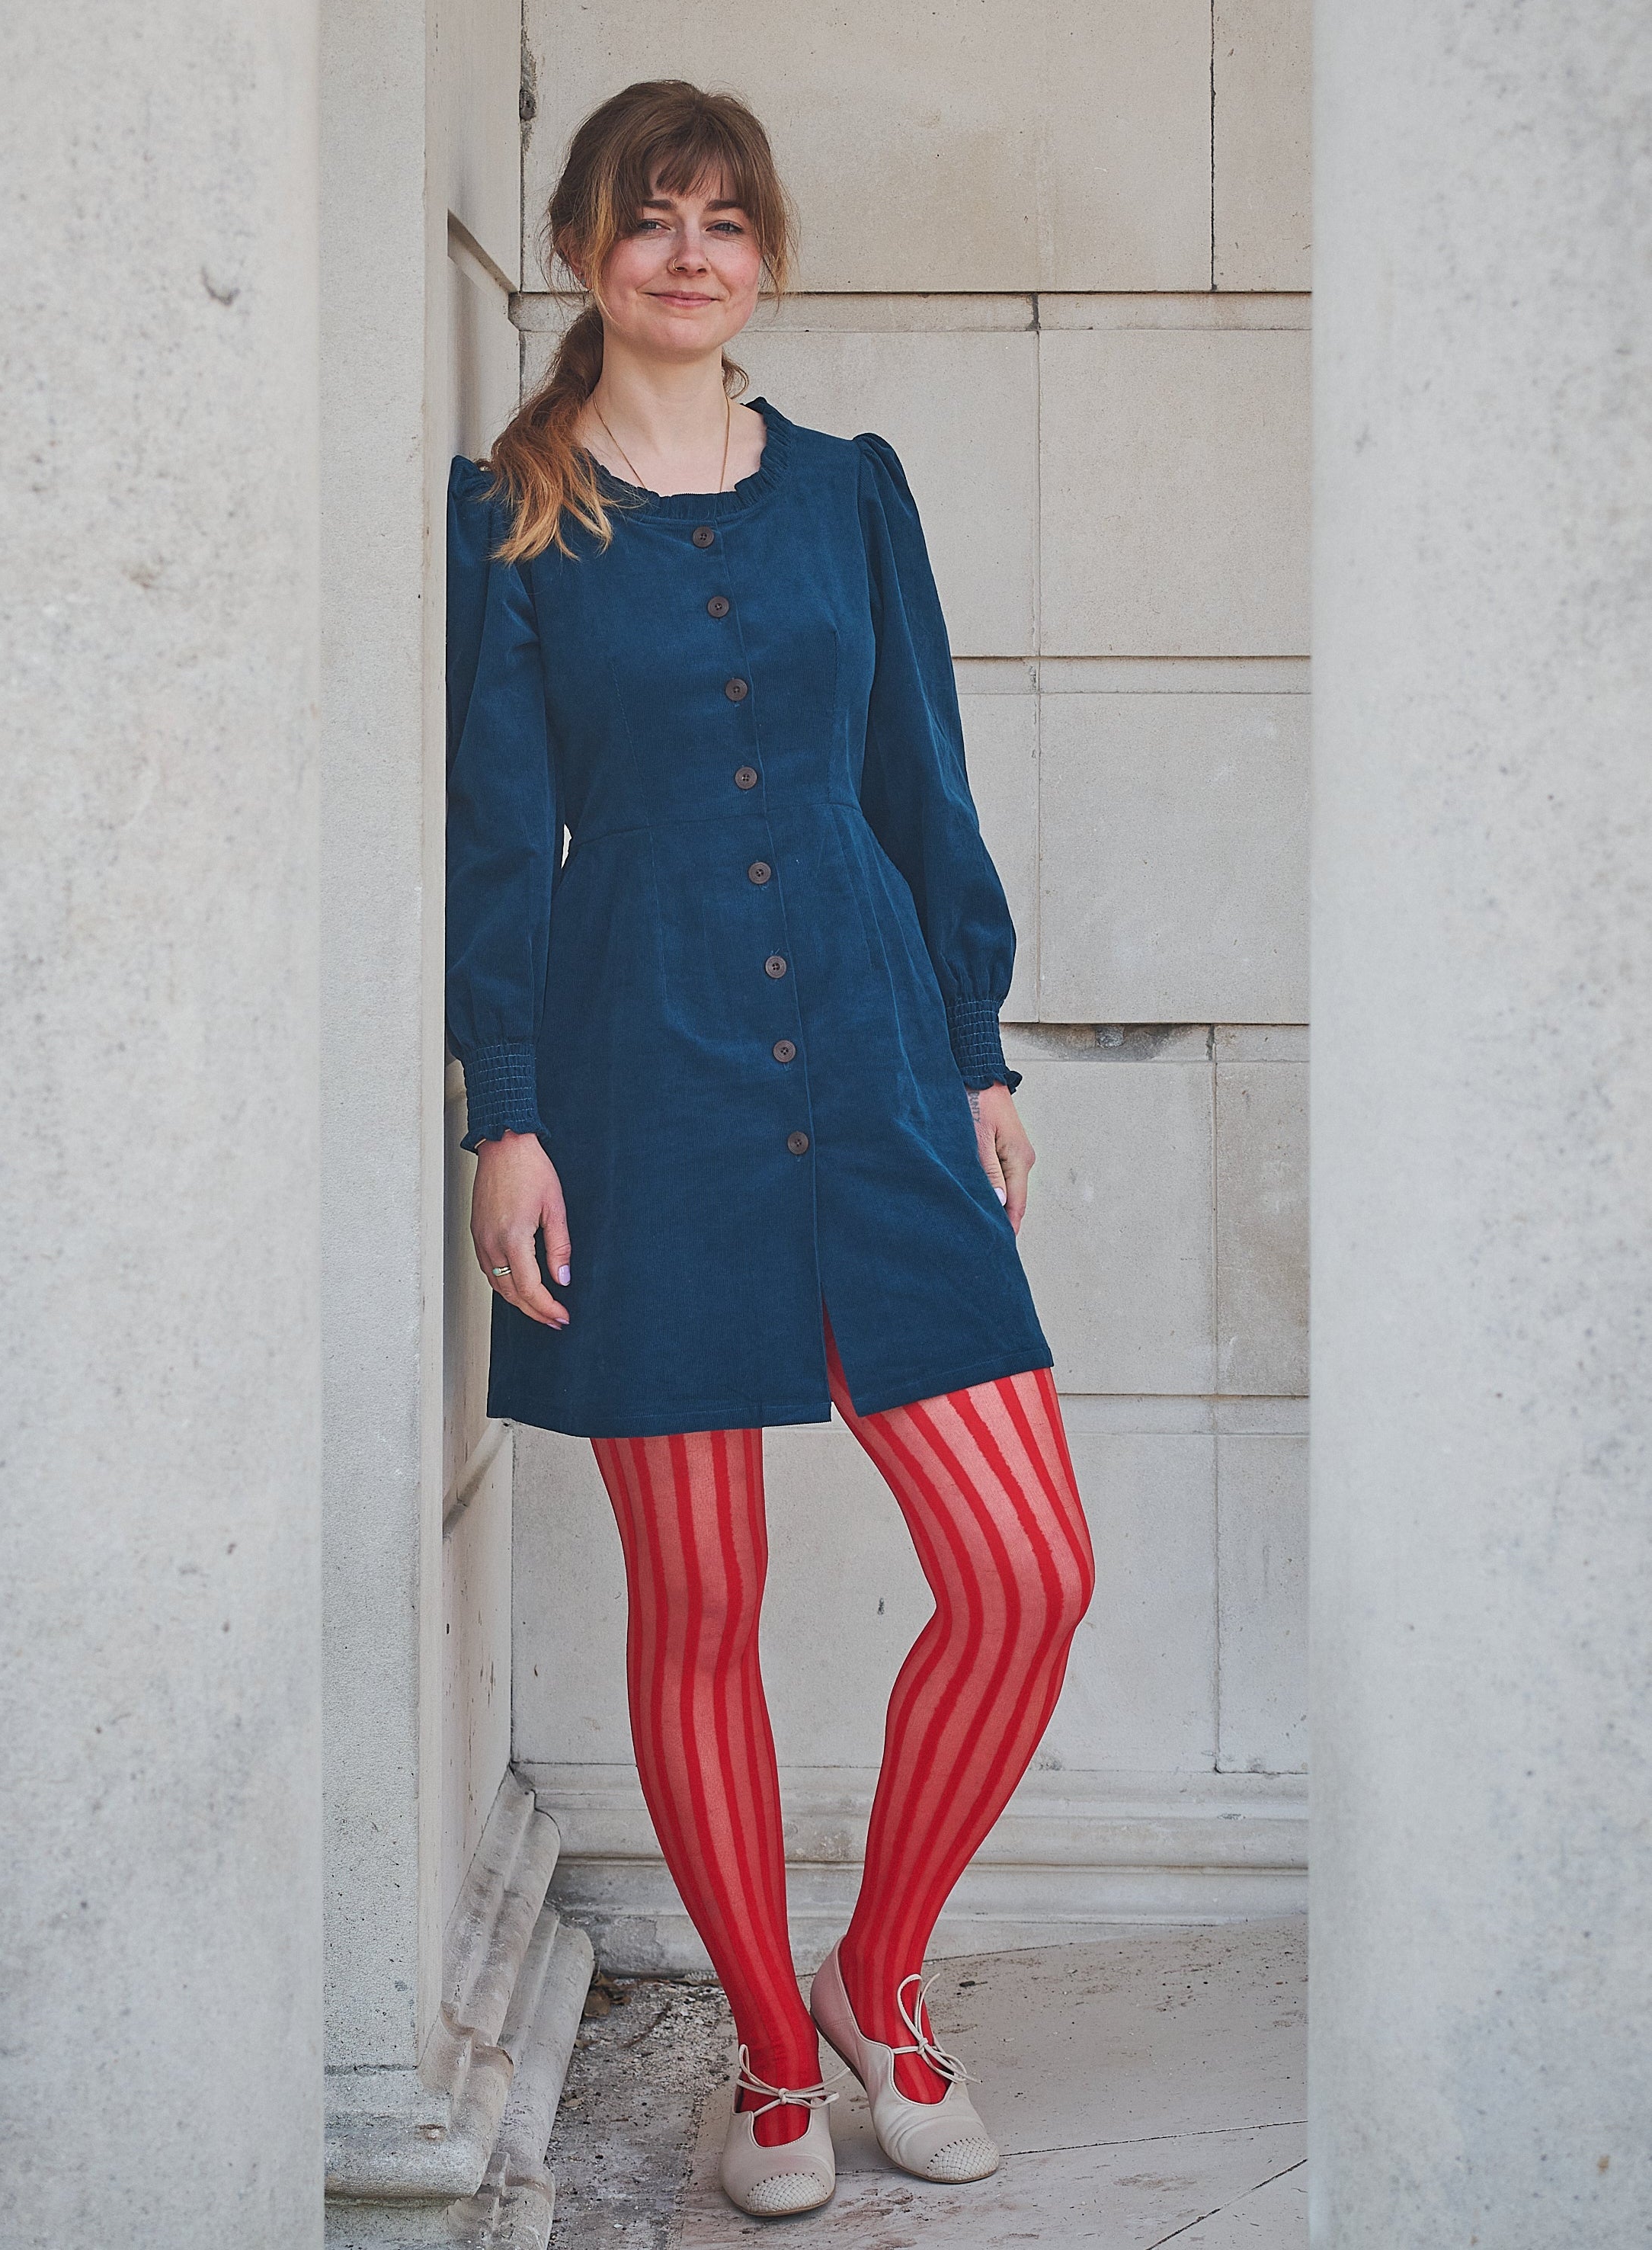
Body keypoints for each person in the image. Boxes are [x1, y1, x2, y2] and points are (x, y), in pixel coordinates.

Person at [444, 79, 1097, 2220]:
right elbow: (496, 849)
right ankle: (769, 2061)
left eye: (726, 218)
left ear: (766, 256)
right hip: (643, 1080)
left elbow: (923, 774)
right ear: (580, 249)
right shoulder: (511, 517)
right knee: (697, 1594)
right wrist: (507, 1113)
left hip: (884, 1058)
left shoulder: (849, 490)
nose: (689, 251)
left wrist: (976, 1047)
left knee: (1026, 1567)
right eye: (648, 218)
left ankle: (874, 1974)